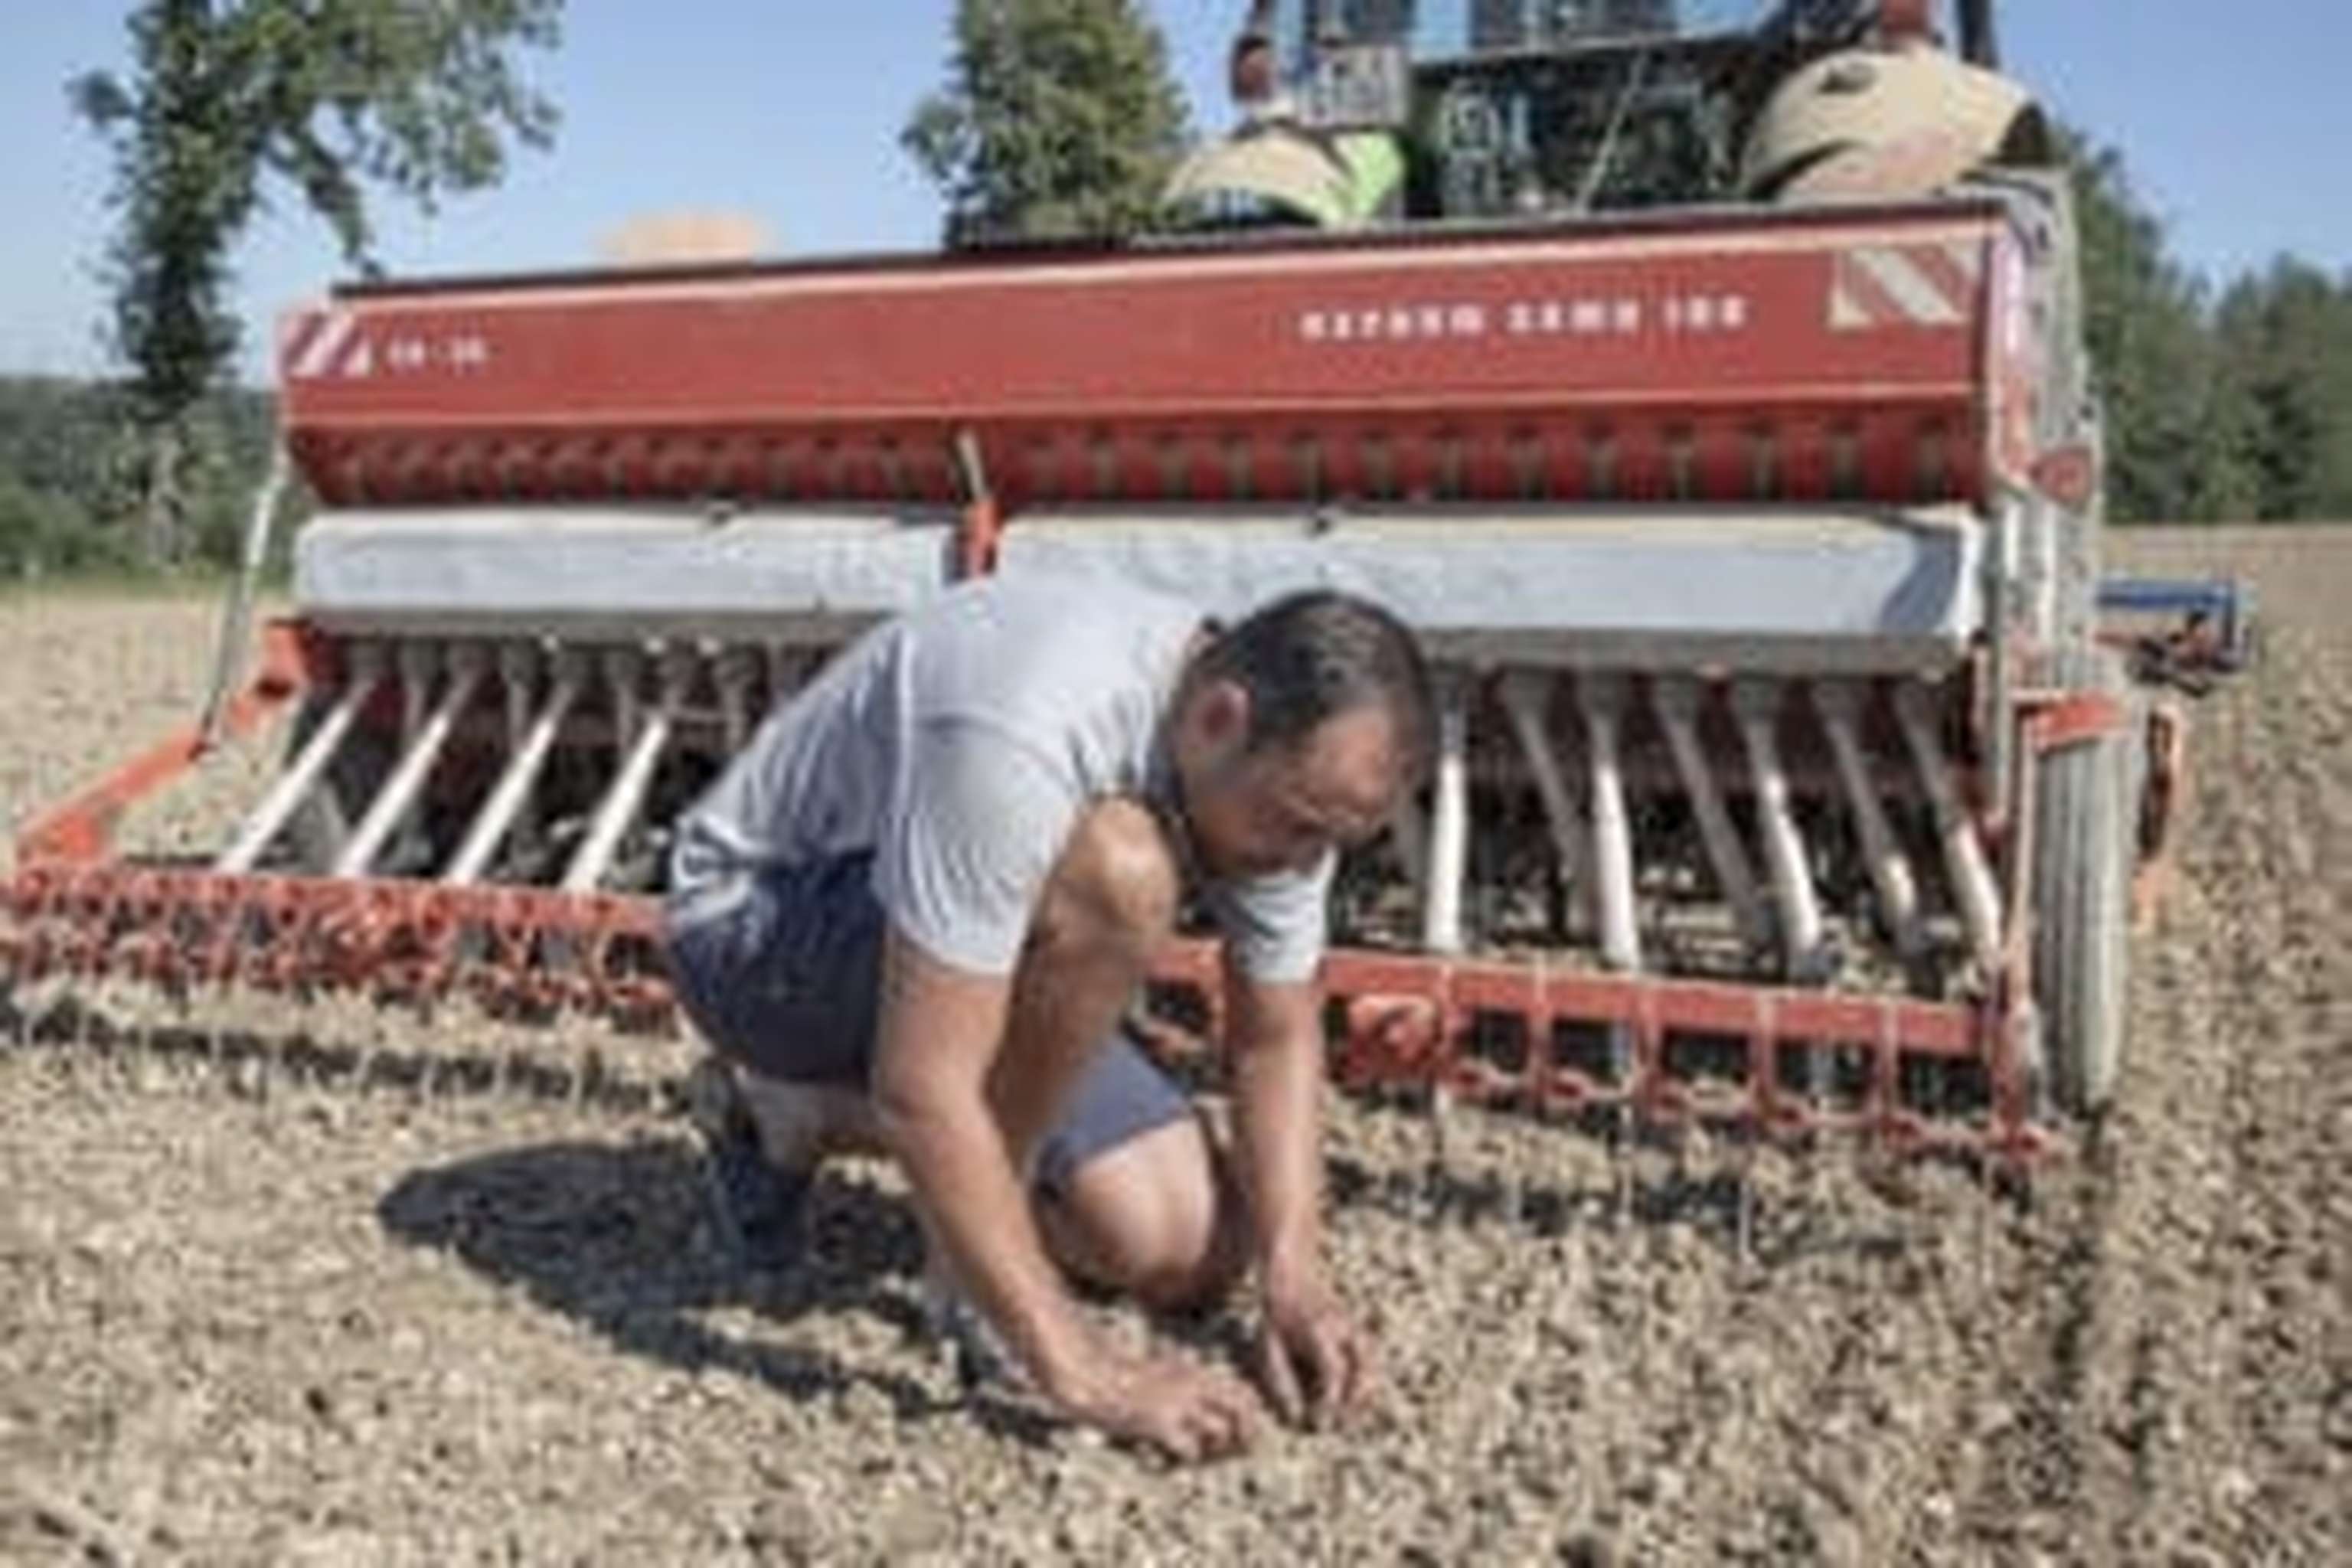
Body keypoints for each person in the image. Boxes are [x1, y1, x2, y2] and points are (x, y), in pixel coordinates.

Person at [662, 575, 1432, 1462]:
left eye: (1328, 842)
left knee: (1182, 1242)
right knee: (1122, 872)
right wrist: (1080, 1369)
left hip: (948, 946)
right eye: (1294, 827)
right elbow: (924, 1089)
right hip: (760, 933)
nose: (1301, 864)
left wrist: (1295, 1271)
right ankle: (963, 1268)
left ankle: (785, 1117)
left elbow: (1275, 1034)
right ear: (1221, 717)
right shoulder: (1028, 724)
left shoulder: (1285, 785)